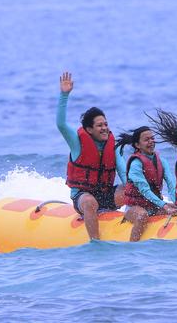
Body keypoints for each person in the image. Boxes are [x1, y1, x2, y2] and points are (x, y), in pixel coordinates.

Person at [56, 71, 127, 240]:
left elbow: (124, 173)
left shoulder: (112, 144)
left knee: (131, 190)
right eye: (99, 125)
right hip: (82, 196)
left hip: (105, 194)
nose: (104, 128)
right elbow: (61, 124)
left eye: (106, 124)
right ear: (89, 129)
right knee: (89, 203)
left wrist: (133, 191)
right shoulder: (77, 143)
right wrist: (64, 95)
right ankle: (96, 242)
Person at [116, 126, 177, 241]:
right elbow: (145, 190)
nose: (151, 142)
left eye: (152, 138)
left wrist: (176, 203)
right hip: (133, 208)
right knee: (141, 216)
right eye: (146, 140)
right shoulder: (136, 164)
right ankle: (132, 247)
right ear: (138, 145)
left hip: (154, 206)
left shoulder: (161, 161)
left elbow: (171, 185)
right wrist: (164, 205)